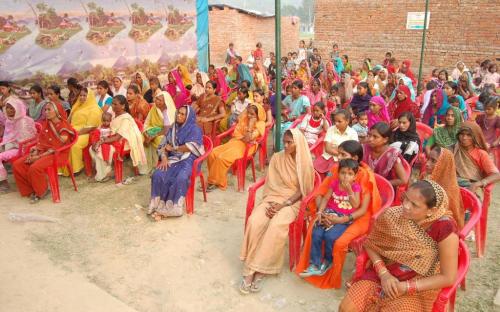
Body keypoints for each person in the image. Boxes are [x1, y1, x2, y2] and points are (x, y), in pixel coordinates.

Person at [339, 180, 459, 312]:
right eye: (405, 199)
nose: (406, 206)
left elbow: (448, 277)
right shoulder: (393, 215)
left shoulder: (444, 228)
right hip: (382, 273)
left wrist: (407, 287)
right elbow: (371, 244)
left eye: (414, 204)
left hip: (418, 285)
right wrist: (384, 273)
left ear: (432, 210)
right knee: (346, 308)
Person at [296, 140, 381, 289]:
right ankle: (314, 264)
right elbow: (323, 193)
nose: (338, 156)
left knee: (334, 239)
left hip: (355, 215)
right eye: (339, 153)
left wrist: (340, 219)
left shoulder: (365, 176)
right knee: (315, 229)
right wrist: (322, 213)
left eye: (342, 154)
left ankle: (330, 269)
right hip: (331, 210)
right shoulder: (337, 169)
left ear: (354, 159)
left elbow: (360, 208)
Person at [239, 129, 314, 294]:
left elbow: (304, 190)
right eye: (284, 141)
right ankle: (256, 265)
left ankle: (256, 270)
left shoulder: (305, 162)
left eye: (289, 142)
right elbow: (272, 183)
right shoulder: (277, 158)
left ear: (297, 143)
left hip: (293, 202)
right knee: (255, 221)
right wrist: (273, 203)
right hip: (273, 197)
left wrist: (283, 204)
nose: (285, 145)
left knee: (276, 226)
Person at [299, 159, 361, 277]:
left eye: (350, 174)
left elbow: (356, 205)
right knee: (316, 234)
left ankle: (328, 261)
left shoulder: (356, 187)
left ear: (355, 176)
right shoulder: (334, 183)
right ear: (338, 173)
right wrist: (320, 212)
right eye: (343, 173)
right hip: (329, 212)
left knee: (330, 237)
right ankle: (315, 264)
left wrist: (349, 191)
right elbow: (326, 198)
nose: (346, 177)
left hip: (343, 218)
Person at [13, 102, 76, 203]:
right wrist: (35, 150)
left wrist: (38, 157)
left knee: (34, 167)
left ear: (56, 111)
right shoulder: (47, 123)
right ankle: (31, 189)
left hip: (58, 154)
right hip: (44, 152)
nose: (46, 112)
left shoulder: (63, 126)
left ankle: (41, 191)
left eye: (49, 110)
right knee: (18, 164)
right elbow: (42, 141)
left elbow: (57, 147)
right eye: (45, 110)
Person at [149, 105, 204, 220]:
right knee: (158, 174)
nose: (179, 115)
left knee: (181, 177)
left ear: (188, 117)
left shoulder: (195, 129)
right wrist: (164, 157)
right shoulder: (173, 127)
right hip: (173, 158)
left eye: (182, 114)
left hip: (189, 159)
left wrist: (174, 149)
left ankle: (175, 207)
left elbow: (191, 147)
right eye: (178, 113)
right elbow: (163, 145)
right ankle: (158, 204)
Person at [206, 104, 266, 191]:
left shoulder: (260, 124)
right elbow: (236, 133)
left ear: (258, 115)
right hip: (235, 142)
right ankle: (218, 178)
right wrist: (243, 137)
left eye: (252, 114)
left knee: (222, 157)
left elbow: (249, 138)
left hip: (248, 148)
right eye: (248, 113)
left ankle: (214, 182)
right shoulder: (244, 119)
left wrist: (250, 125)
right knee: (212, 153)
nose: (249, 115)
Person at [90, 95, 146, 182]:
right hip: (111, 138)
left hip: (123, 142)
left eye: (115, 104)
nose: (112, 106)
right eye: (112, 104)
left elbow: (117, 137)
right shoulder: (113, 114)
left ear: (123, 106)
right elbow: (107, 128)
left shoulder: (126, 118)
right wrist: (97, 141)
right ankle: (106, 170)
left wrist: (101, 141)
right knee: (92, 148)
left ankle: (104, 173)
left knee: (100, 148)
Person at [0, 97, 37, 193]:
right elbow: (8, 137)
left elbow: (28, 139)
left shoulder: (25, 121)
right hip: (11, 145)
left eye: (12, 108)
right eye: (7, 107)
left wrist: (9, 145)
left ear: (18, 108)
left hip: (21, 148)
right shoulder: (10, 120)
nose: (8, 110)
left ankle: (4, 184)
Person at [453, 121, 500, 192]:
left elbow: (497, 175)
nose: (464, 138)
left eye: (469, 135)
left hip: (470, 188)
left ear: (475, 137)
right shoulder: (454, 149)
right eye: (462, 134)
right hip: (452, 184)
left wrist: (479, 183)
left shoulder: (481, 153)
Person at [426, 146, 465, 228]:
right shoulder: (427, 177)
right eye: (428, 159)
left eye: (433, 161)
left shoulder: (448, 190)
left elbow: (445, 215)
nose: (427, 163)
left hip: (442, 227)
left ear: (443, 164)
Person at [66, 87, 102, 175]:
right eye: (81, 95)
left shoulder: (94, 109)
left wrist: (76, 134)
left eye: (84, 96)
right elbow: (69, 121)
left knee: (74, 144)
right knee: (63, 141)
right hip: (73, 130)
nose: (82, 97)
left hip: (86, 133)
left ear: (89, 96)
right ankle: (65, 168)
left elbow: (90, 127)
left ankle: (77, 168)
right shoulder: (77, 106)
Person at [363, 122, 409, 187]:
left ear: (385, 139)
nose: (370, 139)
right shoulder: (365, 148)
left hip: (384, 187)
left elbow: (403, 180)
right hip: (365, 183)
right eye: (369, 135)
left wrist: (381, 184)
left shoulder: (392, 155)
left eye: (375, 137)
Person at [313, 109, 358, 174]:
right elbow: (328, 149)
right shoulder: (331, 129)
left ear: (347, 121)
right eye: (335, 121)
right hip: (327, 158)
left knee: (333, 175)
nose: (336, 124)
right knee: (313, 171)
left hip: (344, 161)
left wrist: (339, 153)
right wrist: (343, 154)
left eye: (339, 121)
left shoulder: (353, 133)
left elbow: (352, 152)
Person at [142, 92, 176, 173]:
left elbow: (167, 131)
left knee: (159, 140)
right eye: (156, 99)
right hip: (154, 129)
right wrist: (145, 132)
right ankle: (146, 165)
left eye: (160, 100)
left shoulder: (168, 112)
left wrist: (153, 136)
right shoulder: (154, 108)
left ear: (165, 102)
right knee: (141, 138)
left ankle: (157, 163)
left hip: (167, 134)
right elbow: (147, 122)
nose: (157, 101)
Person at [279, 80, 311, 147]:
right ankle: (278, 148)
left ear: (300, 90)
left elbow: (309, 114)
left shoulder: (304, 99)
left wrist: (298, 118)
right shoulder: (288, 98)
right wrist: (284, 112)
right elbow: (280, 107)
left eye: (295, 88)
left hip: (299, 123)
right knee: (277, 127)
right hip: (287, 120)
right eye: (292, 87)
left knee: (287, 129)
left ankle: (284, 149)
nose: (292, 90)